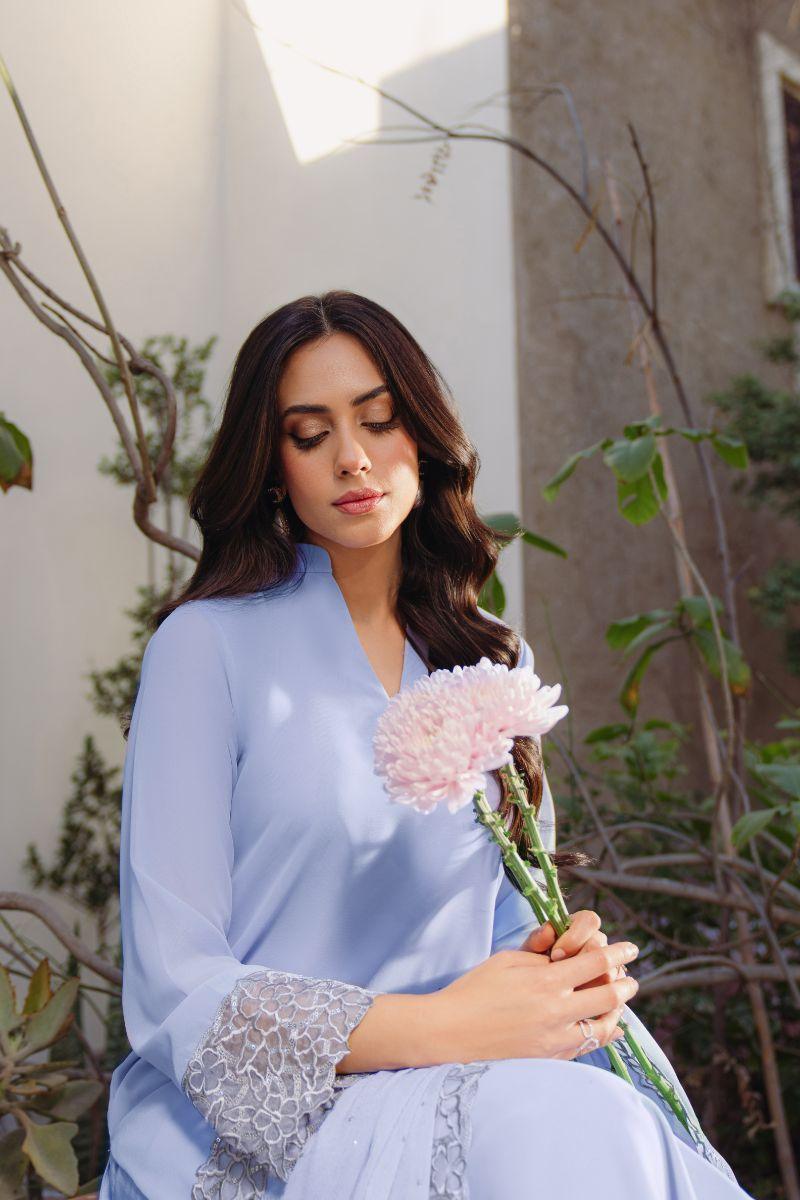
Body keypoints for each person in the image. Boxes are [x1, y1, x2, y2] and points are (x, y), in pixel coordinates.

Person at [98, 291, 754, 1200]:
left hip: (478, 1082)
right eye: (310, 434)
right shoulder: (204, 648)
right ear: (273, 465)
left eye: (379, 420)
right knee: (575, 1128)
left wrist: (559, 968)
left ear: (425, 434)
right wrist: (446, 1025)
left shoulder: (490, 658)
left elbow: (501, 934)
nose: (353, 457)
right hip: (262, 1124)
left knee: (608, 1128)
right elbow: (175, 984)